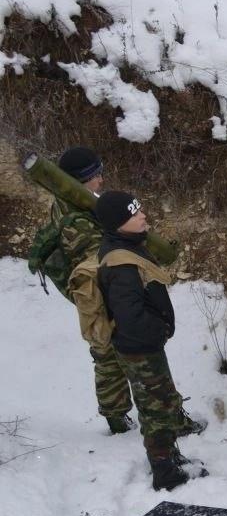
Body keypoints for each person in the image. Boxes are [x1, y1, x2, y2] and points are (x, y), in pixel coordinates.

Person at [94, 191, 206, 491]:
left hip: (144, 347)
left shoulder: (127, 245)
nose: (143, 215)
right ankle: (164, 472)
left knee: (162, 401)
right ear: (118, 224)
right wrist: (157, 331)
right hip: (139, 349)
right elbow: (130, 316)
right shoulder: (120, 264)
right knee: (154, 410)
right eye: (134, 214)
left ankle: (169, 456)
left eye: (140, 208)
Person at [48, 147, 136, 434]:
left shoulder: (71, 202)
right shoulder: (78, 220)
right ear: (78, 181)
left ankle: (116, 414)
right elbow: (97, 266)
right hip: (97, 295)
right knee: (112, 353)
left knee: (105, 352)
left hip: (93, 293)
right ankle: (120, 418)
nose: (101, 179)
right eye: (94, 175)